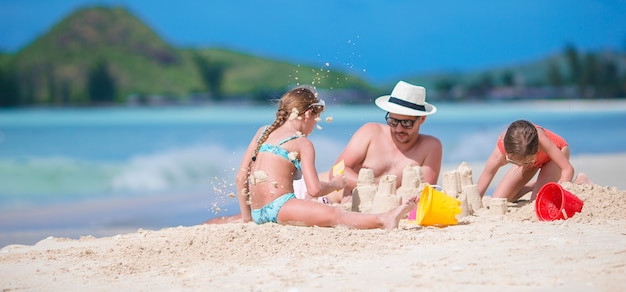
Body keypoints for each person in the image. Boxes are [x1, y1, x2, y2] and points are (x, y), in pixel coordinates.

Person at [216, 85, 418, 229]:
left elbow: (241, 178)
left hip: (258, 212)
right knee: (336, 215)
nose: (314, 125)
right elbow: (314, 190)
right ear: (307, 114)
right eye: (316, 118)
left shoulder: (264, 132)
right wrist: (336, 184)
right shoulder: (302, 143)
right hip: (280, 207)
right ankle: (384, 219)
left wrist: (247, 217)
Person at [322, 80, 442, 203]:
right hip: (325, 196)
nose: (399, 129)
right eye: (393, 121)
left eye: (406, 123)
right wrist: (380, 189)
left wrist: (378, 190)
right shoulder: (371, 132)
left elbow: (424, 196)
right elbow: (336, 171)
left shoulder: (430, 147)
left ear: (422, 119)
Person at [477, 119, 590, 202]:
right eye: (513, 161)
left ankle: (579, 182)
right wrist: (475, 203)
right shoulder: (503, 148)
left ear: (535, 150)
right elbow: (487, 175)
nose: (519, 165)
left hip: (554, 156)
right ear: (507, 151)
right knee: (499, 200)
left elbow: (567, 169)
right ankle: (534, 186)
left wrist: (563, 193)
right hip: (529, 160)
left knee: (538, 202)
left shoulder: (542, 141)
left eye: (524, 162)